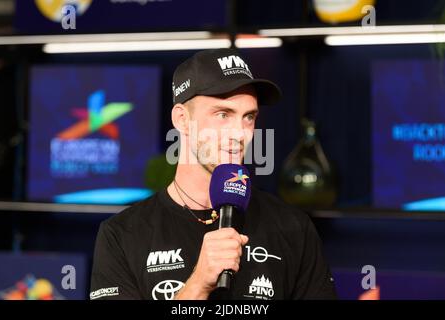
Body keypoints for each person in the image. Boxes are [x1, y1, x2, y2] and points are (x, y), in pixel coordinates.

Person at [89, 48, 337, 300]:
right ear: (182, 119)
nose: (240, 133)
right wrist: (197, 284)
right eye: (223, 114)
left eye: (248, 117)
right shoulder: (121, 235)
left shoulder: (293, 227)